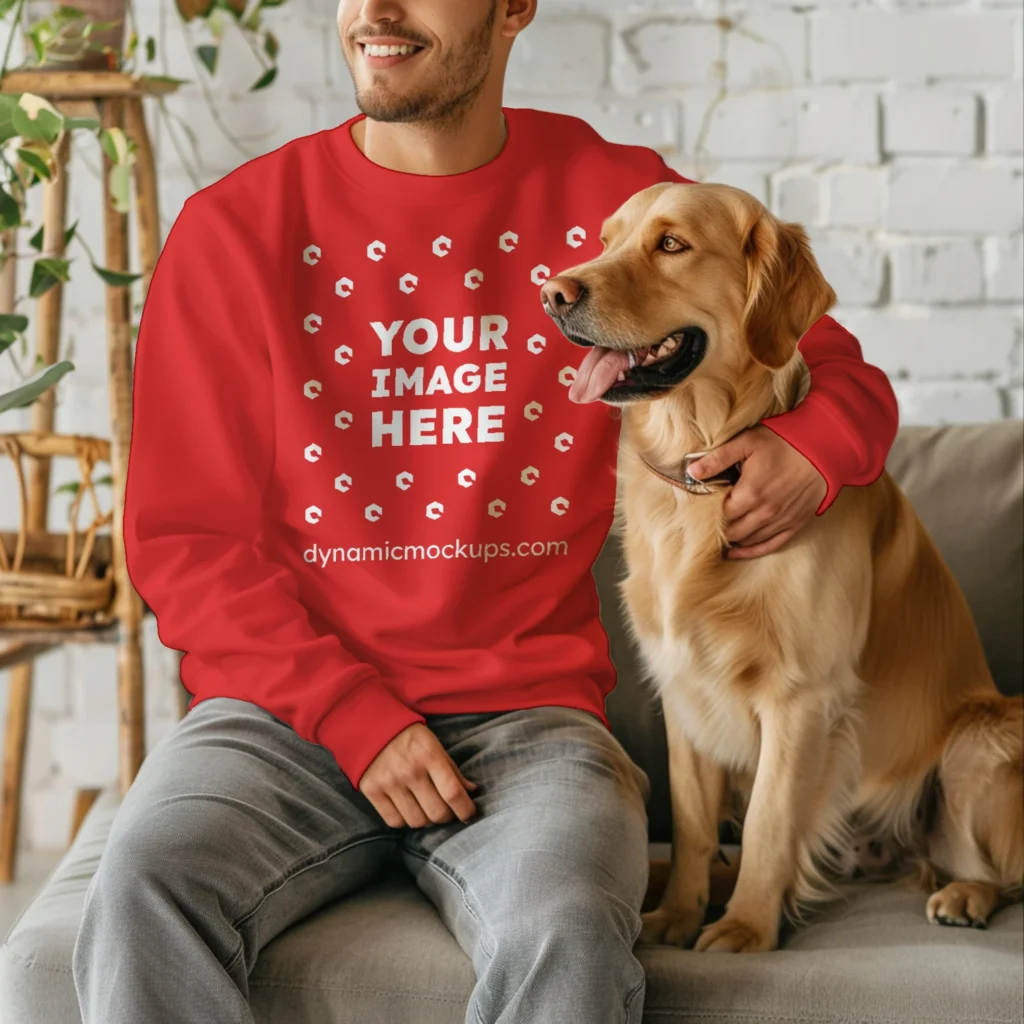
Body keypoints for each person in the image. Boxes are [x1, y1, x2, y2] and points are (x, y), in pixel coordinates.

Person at [71, 2, 899, 1022]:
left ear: (513, 9)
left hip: (532, 724)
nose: (375, 10)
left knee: (566, 926)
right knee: (141, 887)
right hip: (280, 719)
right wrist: (353, 719)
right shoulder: (237, 228)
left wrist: (811, 450)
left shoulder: (611, 198)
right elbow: (185, 544)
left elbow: (835, 368)